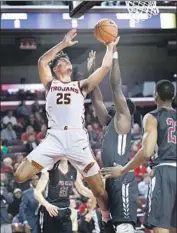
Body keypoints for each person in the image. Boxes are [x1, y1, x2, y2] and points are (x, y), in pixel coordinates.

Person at [15, 29, 118, 231]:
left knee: (99, 190)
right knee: (20, 176)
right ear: (56, 69)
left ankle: (107, 219)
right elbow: (42, 62)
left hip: (77, 139)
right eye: (62, 60)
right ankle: (50, 165)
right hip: (54, 139)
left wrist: (110, 46)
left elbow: (106, 67)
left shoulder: (81, 85)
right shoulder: (50, 84)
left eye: (67, 59)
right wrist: (62, 44)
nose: (67, 61)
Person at [101, 80, 176, 233]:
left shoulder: (152, 117)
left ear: (156, 95)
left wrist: (123, 170)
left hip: (165, 172)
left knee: (161, 226)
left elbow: (147, 151)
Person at [88, 46, 138, 233]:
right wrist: (92, 72)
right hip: (110, 179)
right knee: (111, 228)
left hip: (122, 177)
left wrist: (114, 53)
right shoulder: (110, 124)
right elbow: (97, 100)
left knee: (125, 228)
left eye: (115, 104)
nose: (110, 105)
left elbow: (116, 86)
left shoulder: (123, 119)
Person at [34, 159, 95, 233]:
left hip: (65, 211)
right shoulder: (49, 170)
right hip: (50, 211)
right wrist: (47, 205)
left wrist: (95, 196)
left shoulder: (73, 171)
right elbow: (37, 193)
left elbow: (82, 189)